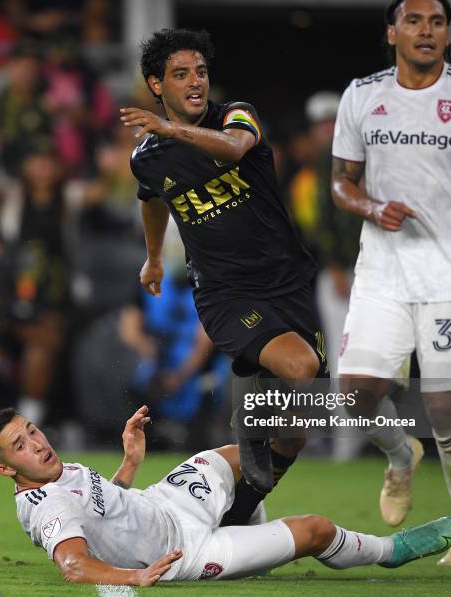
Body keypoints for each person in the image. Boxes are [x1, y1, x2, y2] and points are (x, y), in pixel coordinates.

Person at [122, 28, 327, 519]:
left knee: (297, 432)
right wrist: (153, 256)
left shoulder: (237, 115)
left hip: (289, 282)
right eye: (180, 74)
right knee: (301, 366)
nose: (195, 82)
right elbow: (153, 199)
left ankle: (237, 517)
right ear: (156, 84)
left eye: (201, 72)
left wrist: (169, 129)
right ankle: (247, 414)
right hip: (226, 293)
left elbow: (234, 149)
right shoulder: (146, 158)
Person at [0, 405, 451, 585]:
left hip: (166, 502)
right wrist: (137, 577)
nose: (37, 443)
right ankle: (389, 552)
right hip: (185, 551)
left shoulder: (58, 472)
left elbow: (102, 512)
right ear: (4, 468)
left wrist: (129, 465)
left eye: (33, 430)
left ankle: (247, 513)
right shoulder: (46, 506)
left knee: (236, 453)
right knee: (315, 529)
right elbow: (74, 563)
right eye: (21, 445)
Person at [331, 0, 451, 566]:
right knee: (355, 396)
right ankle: (401, 457)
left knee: (445, 409)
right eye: (414, 21)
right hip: (383, 274)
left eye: (437, 21)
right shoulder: (362, 96)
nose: (426, 30)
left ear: (447, 33)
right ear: (391, 31)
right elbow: (341, 183)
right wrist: (370, 206)